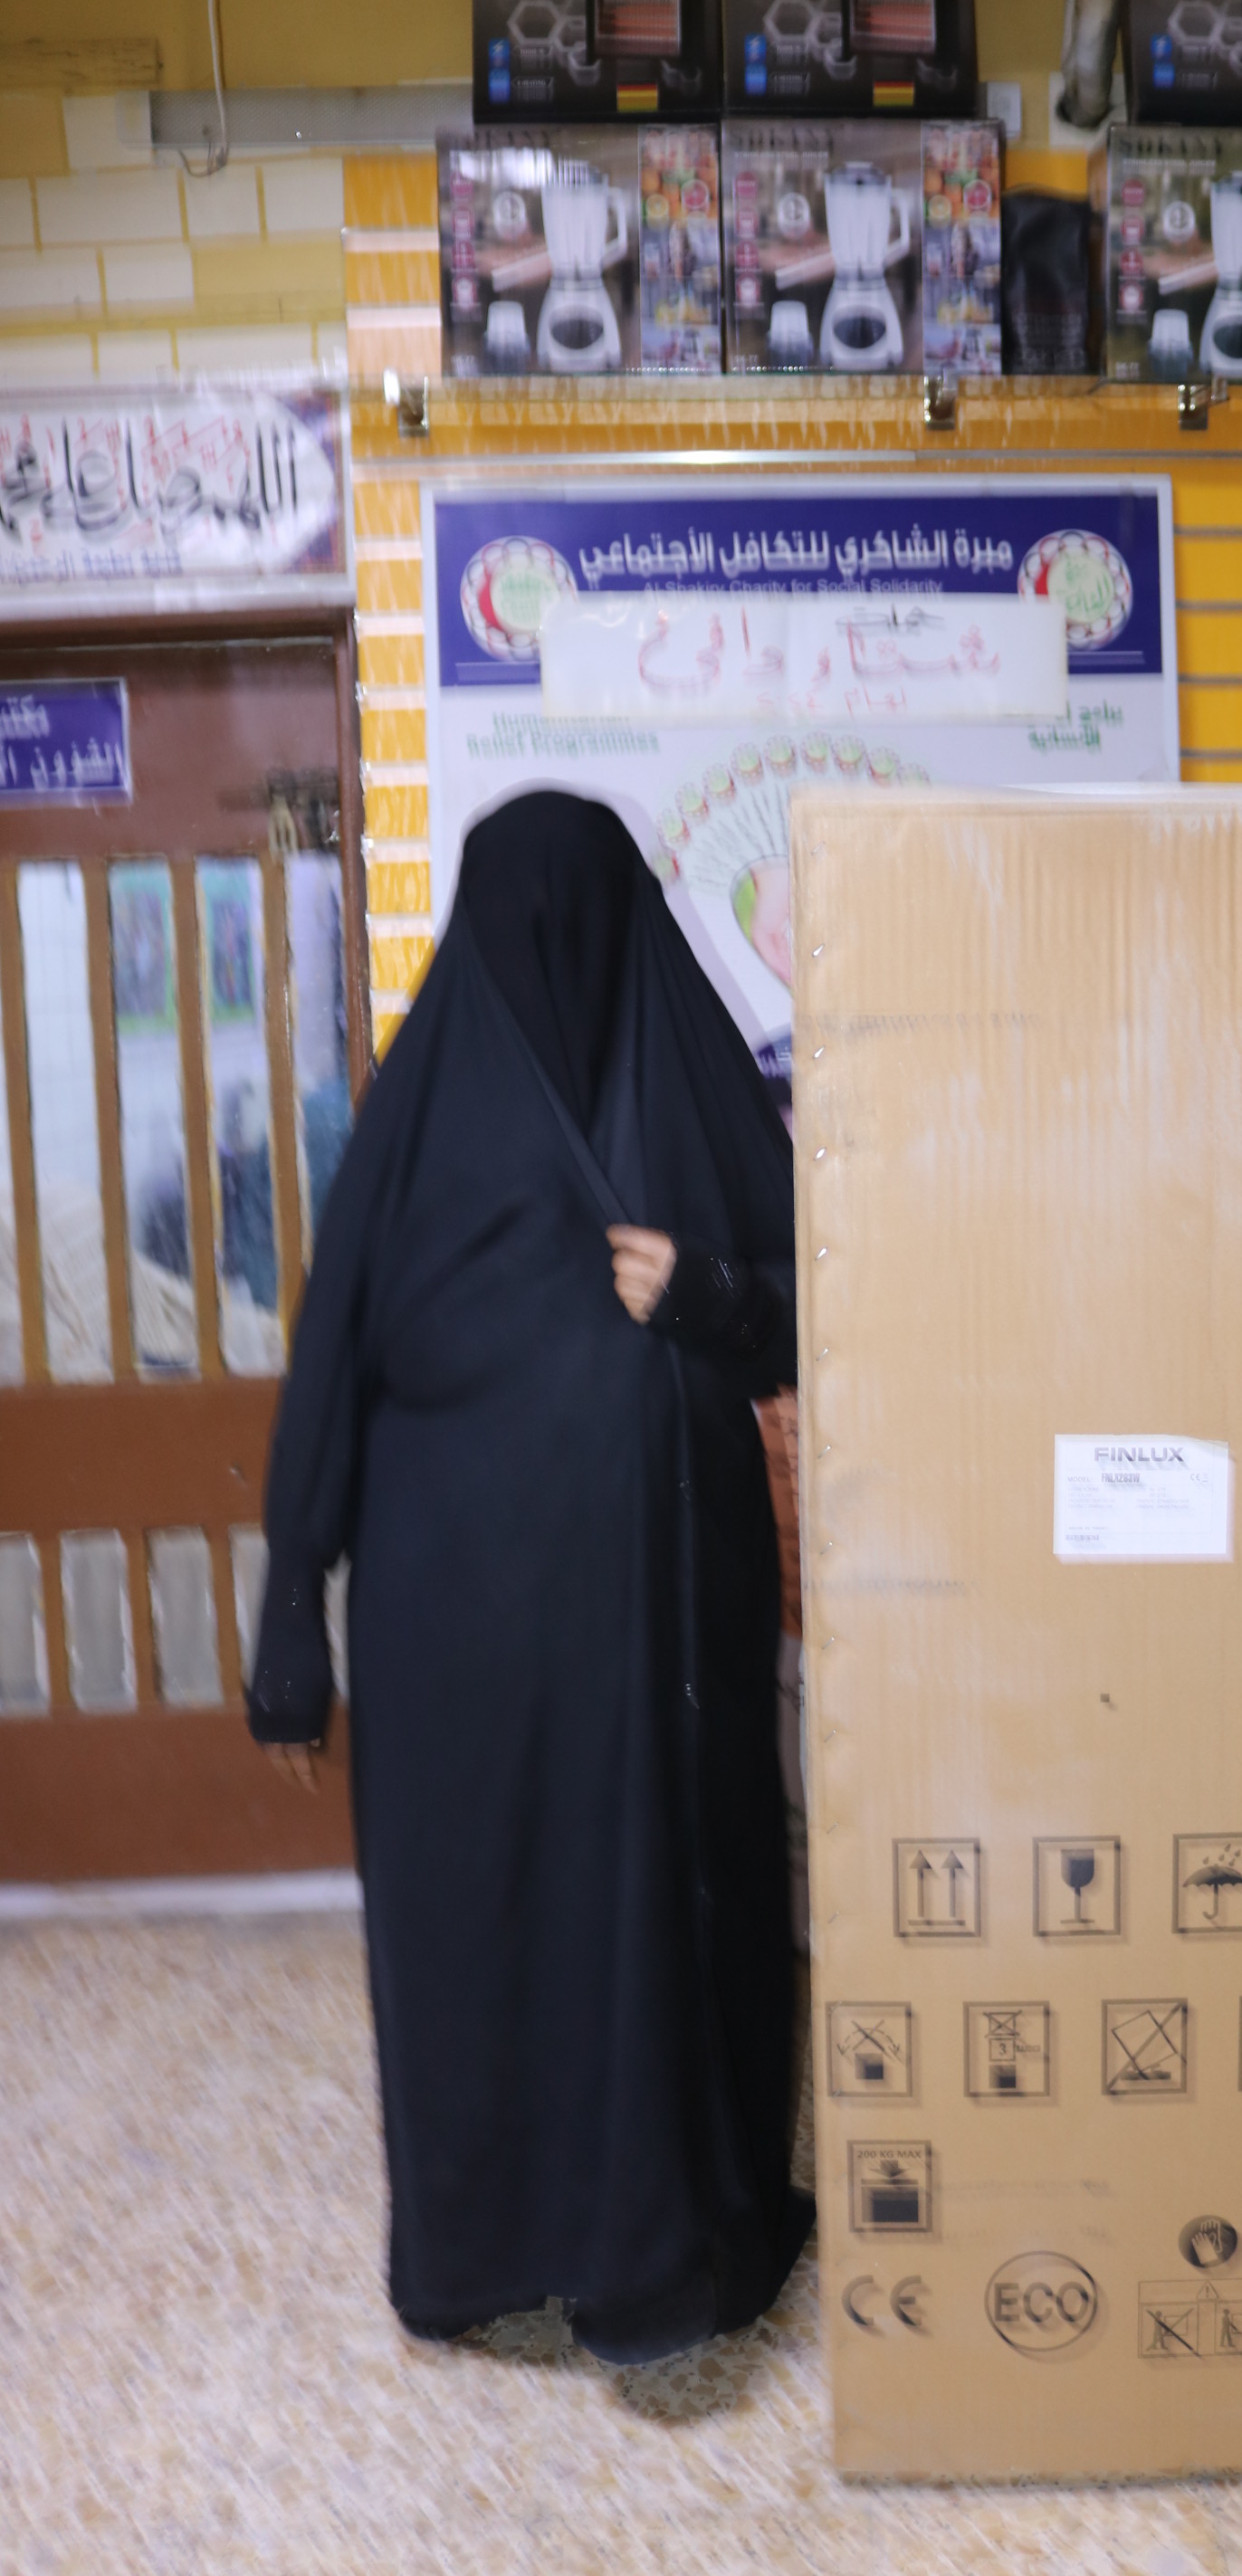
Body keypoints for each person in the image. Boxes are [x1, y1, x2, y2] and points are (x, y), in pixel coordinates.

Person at [248, 788, 811, 2361]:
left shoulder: (694, 1089)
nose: (557, 952)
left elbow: (811, 1305)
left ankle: (667, 2251)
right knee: (491, 1924)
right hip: (465, 1645)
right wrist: (291, 1616)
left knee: (666, 1916)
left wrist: (707, 1290)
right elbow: (331, 1364)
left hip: (663, 1625)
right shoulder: (420, 1117)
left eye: (585, 915)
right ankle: (485, 2247)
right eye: (524, 918)